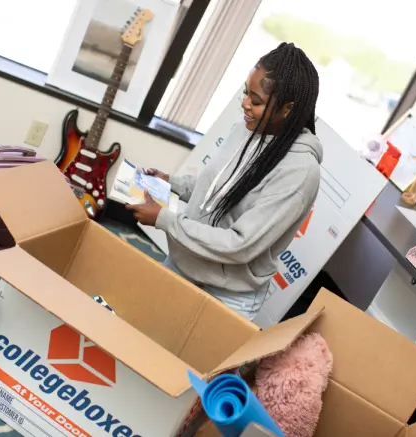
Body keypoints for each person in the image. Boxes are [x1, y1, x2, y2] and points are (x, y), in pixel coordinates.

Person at [126, 42, 322, 321]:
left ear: (287, 109)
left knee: (183, 365)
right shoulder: (246, 129)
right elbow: (217, 188)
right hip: (184, 264)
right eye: (245, 93)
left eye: (256, 101)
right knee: (137, 336)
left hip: (226, 295)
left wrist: (165, 220)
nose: (244, 104)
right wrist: (172, 183)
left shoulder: (300, 171)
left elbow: (239, 244)